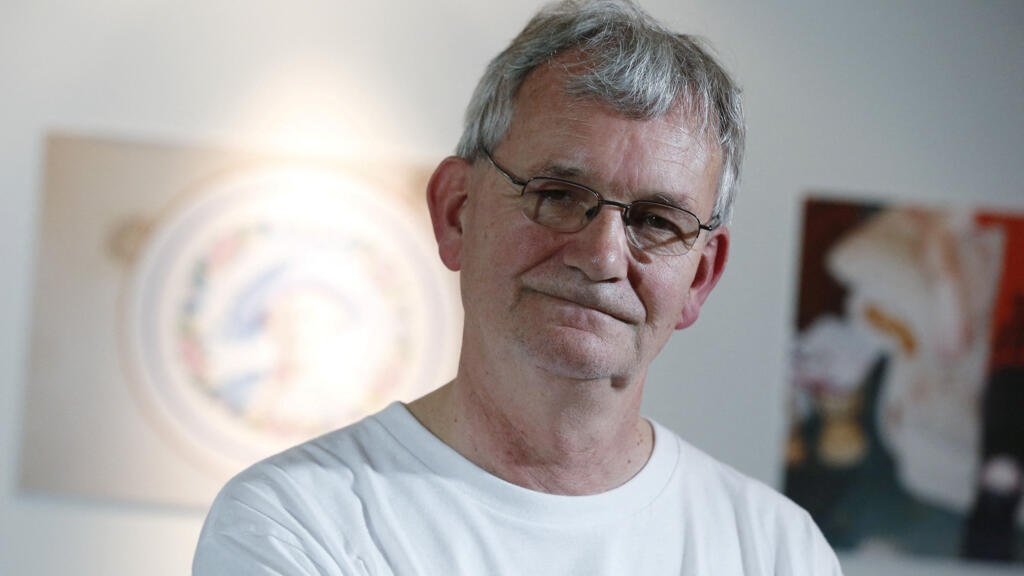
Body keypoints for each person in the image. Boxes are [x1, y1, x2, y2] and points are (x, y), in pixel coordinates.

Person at [193, 1, 843, 574]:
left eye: (655, 221)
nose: (602, 256)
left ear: (700, 276)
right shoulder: (295, 523)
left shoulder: (778, 552)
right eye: (558, 195)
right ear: (457, 212)